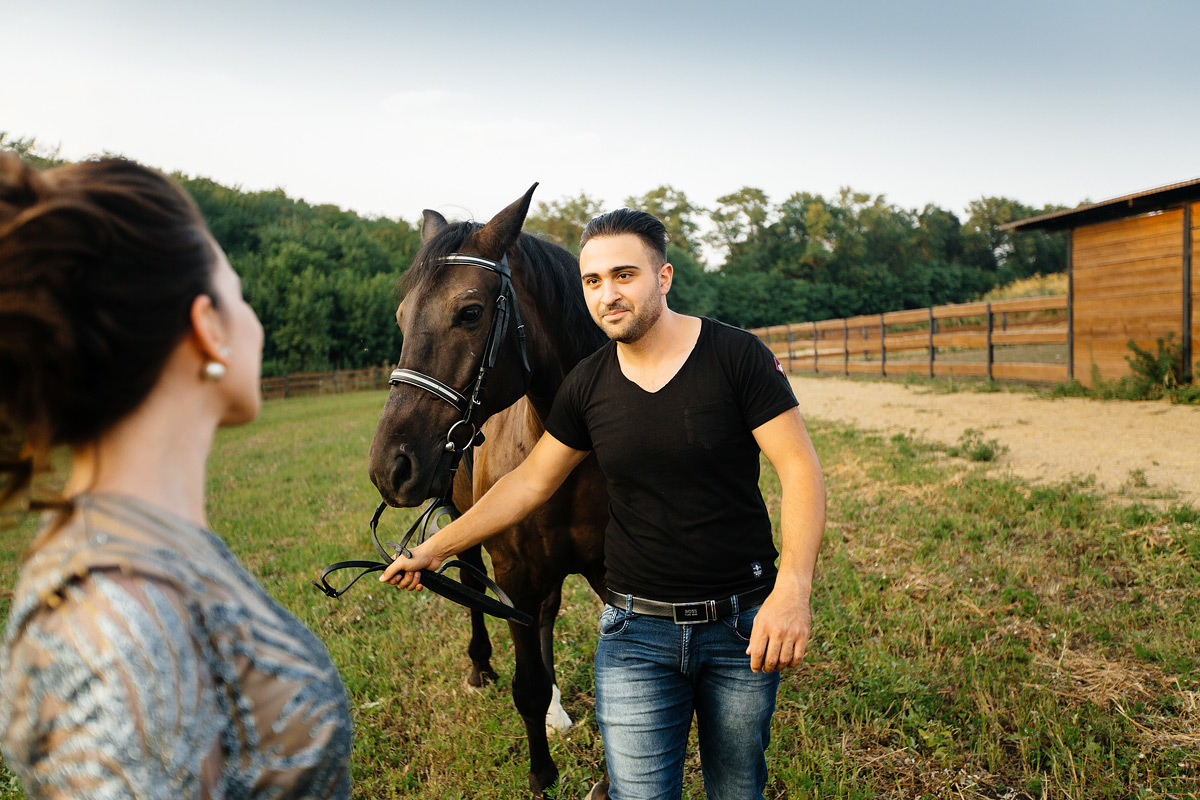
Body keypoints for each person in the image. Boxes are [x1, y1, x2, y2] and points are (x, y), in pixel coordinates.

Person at [381, 207, 826, 799]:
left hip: (738, 624)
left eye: (625, 275)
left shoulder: (735, 357)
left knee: (737, 788)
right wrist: (434, 547)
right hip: (635, 634)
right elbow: (529, 482)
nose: (607, 295)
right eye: (592, 281)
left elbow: (799, 469)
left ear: (663, 277)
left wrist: (793, 590)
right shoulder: (587, 384)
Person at [0, 155, 352, 798]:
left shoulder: (149, 551)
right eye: (239, 294)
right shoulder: (117, 610)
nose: (256, 321)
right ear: (209, 328)